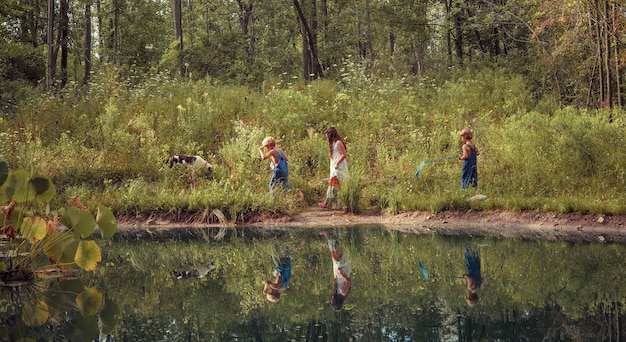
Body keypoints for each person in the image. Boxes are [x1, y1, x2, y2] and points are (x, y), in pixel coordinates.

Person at [320, 230, 351, 310]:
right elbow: (348, 281)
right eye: (332, 301)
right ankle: (335, 235)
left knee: (335, 255)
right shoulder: (343, 293)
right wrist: (341, 275)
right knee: (338, 254)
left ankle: (331, 236)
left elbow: (337, 282)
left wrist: (335, 277)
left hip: (337, 272)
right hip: (343, 270)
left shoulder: (336, 292)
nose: (331, 300)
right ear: (336, 301)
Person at [319, 127, 348, 208]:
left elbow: (344, 154)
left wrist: (337, 163)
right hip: (334, 167)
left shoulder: (338, 143)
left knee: (333, 184)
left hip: (339, 167)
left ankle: (328, 202)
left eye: (327, 136)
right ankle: (336, 203)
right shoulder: (333, 144)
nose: (327, 138)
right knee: (337, 186)